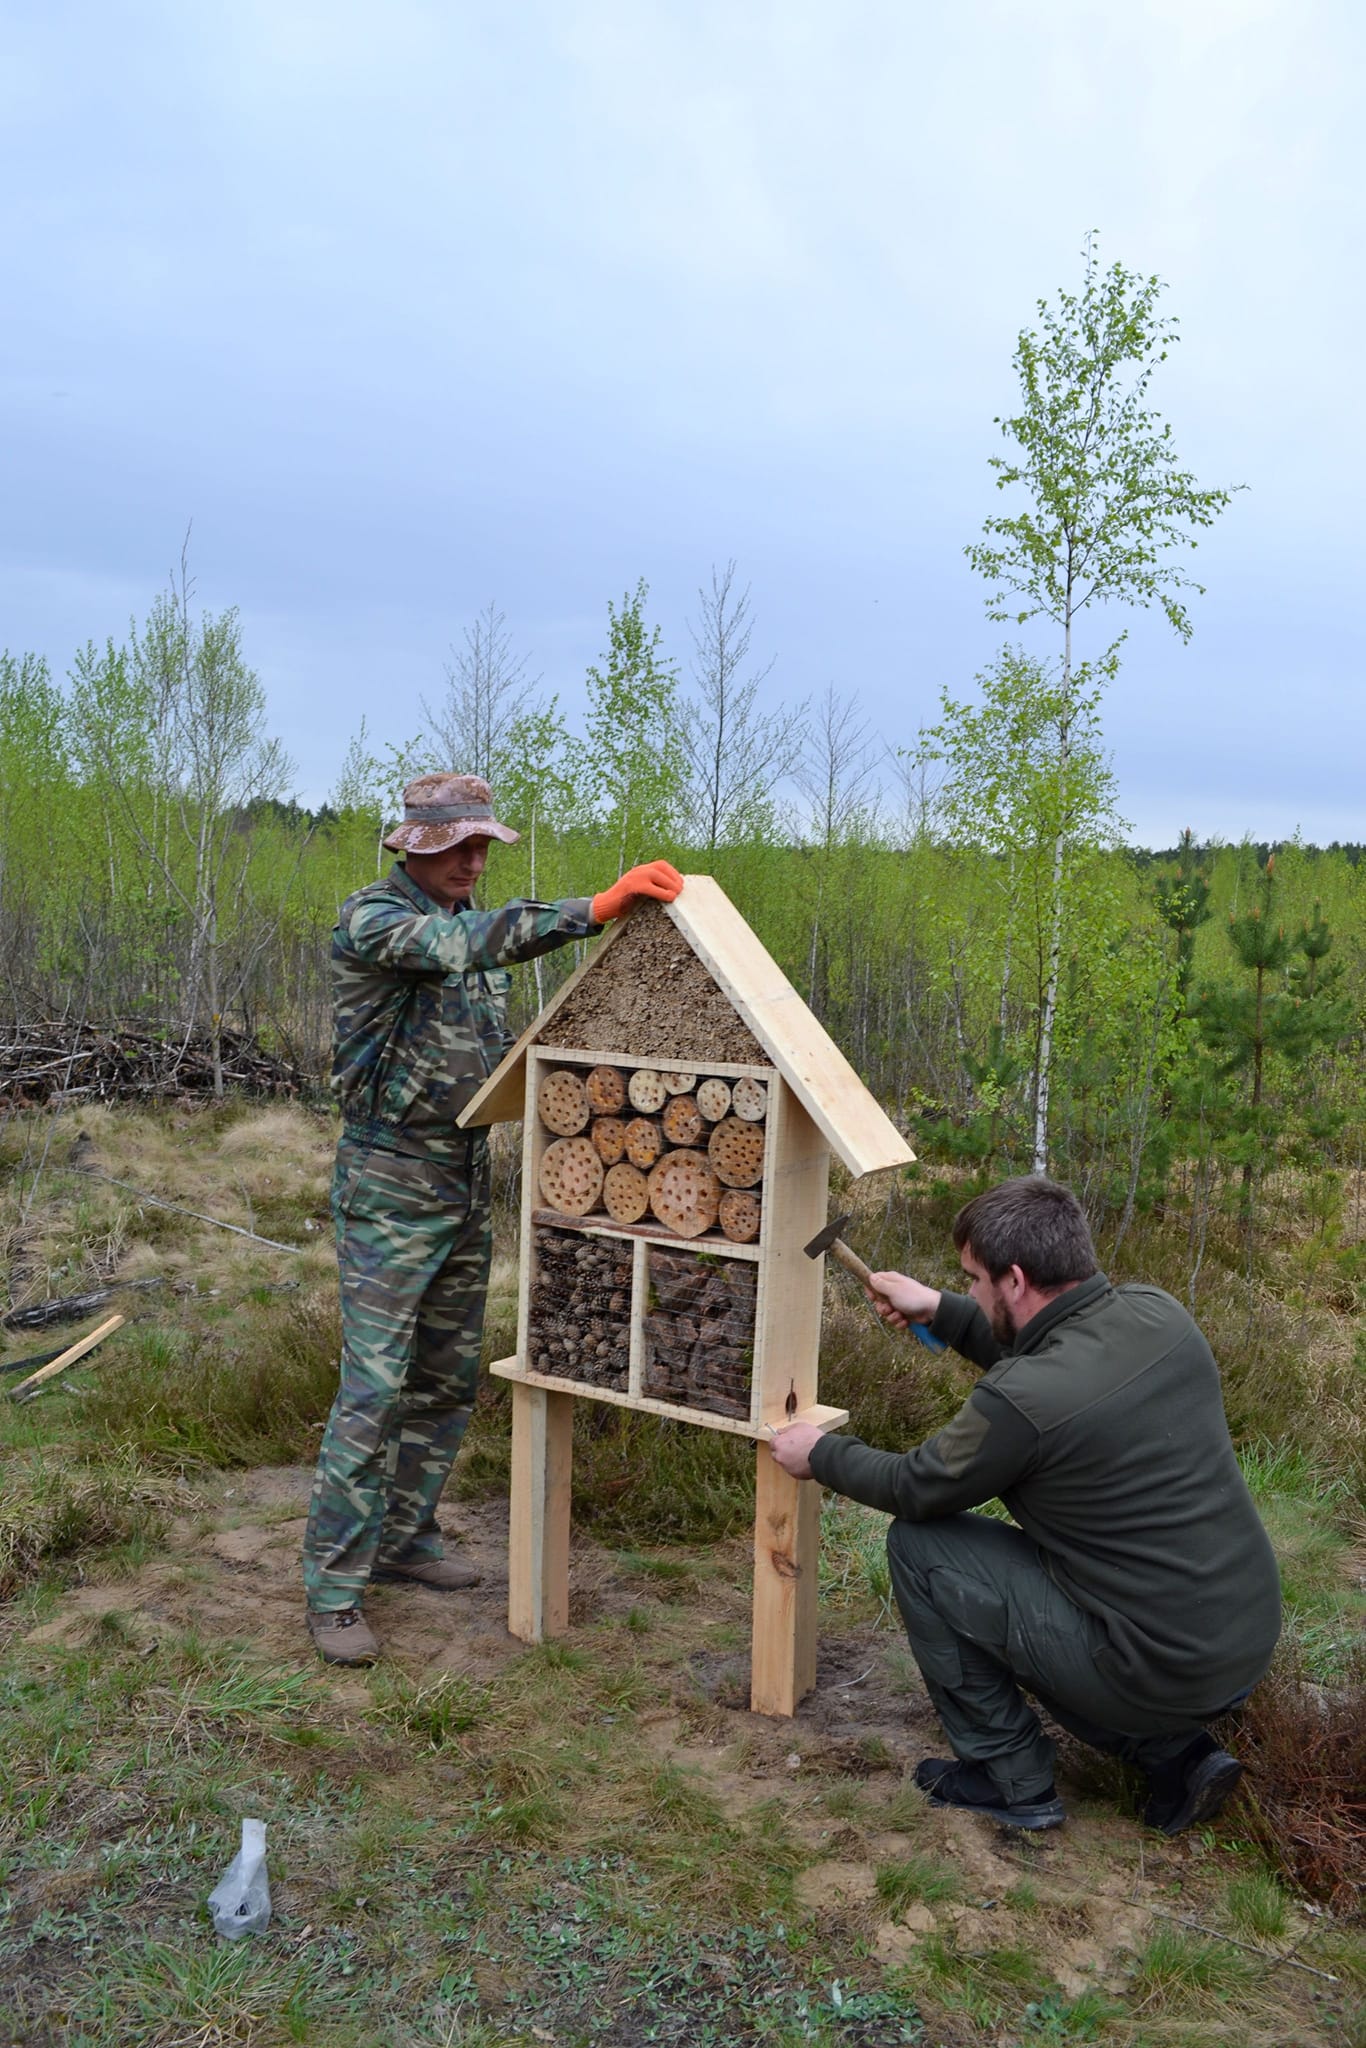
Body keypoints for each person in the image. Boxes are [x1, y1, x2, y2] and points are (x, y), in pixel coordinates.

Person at [302, 771, 682, 1666]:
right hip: (389, 1186)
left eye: (485, 847)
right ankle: (333, 1588)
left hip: (464, 1177)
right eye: (463, 846)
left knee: (444, 1377)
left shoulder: (461, 927)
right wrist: (593, 906)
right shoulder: (376, 920)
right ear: (419, 845)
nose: (477, 860)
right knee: (373, 1391)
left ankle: (405, 1540)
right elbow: (465, 945)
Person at [769, 1176, 1281, 1833]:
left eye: (976, 1281)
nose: (973, 1292)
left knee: (924, 1549)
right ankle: (1177, 1756)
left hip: (1157, 1663)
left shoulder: (1024, 1402)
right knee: (1066, 1607)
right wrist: (942, 1309)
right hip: (1239, 1637)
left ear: (1014, 1279)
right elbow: (1050, 1359)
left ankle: (1008, 1777)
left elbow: (917, 1486)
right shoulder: (1159, 1315)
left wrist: (820, 1456)